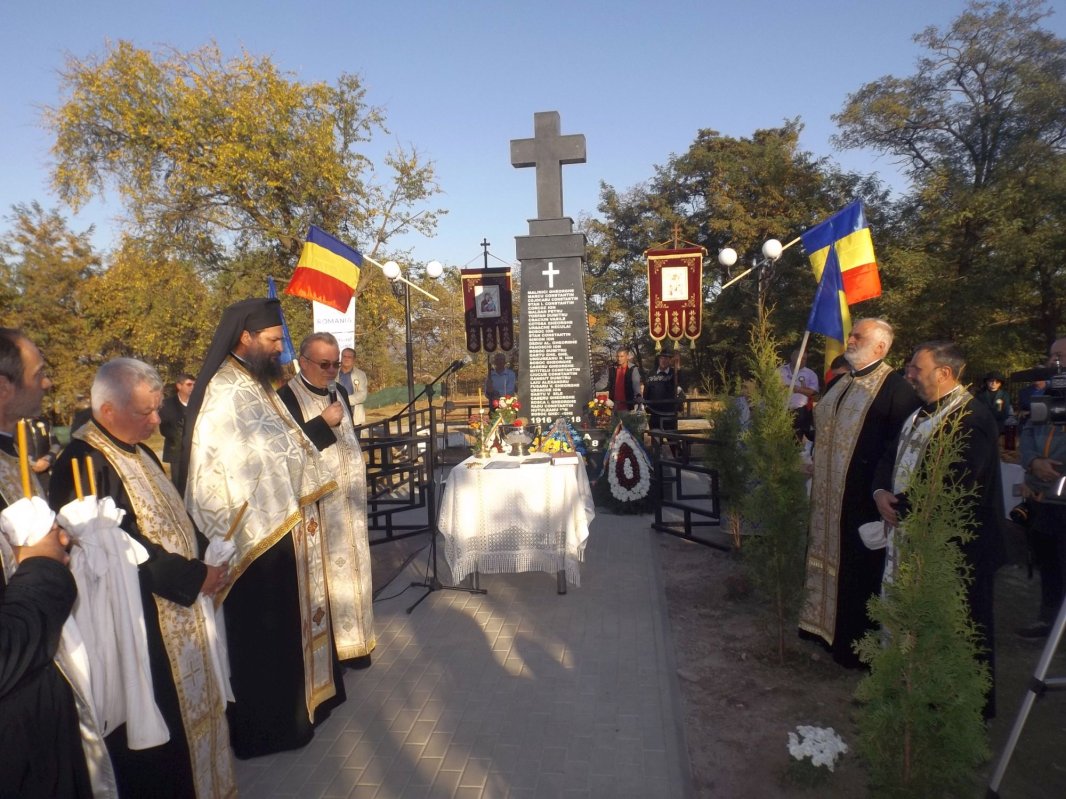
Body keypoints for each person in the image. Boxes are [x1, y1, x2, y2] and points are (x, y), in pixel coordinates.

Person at [50, 358, 235, 798]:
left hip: (182, 604)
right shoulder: (83, 461)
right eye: (145, 412)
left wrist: (208, 550)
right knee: (162, 738)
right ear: (108, 410)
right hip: (145, 625)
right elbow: (121, 549)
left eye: (157, 410)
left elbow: (174, 514)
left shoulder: (141, 449)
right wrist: (194, 577)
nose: (156, 421)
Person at [178, 297, 343, 759]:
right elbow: (236, 464)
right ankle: (268, 729)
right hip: (251, 533)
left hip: (279, 522)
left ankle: (297, 713)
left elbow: (283, 444)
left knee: (284, 629)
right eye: (272, 341)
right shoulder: (225, 391)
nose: (278, 349)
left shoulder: (255, 383)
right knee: (261, 633)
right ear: (246, 337)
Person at [0, 328, 115, 799]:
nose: (48, 384)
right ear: (3, 388)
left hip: (45, 687)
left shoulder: (12, 451)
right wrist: (46, 564)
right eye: (40, 374)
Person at [873, 341, 1007, 717]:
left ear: (944, 373)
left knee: (958, 623)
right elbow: (890, 457)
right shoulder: (918, 414)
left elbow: (957, 482)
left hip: (957, 546)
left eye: (917, 368)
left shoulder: (972, 417)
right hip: (908, 531)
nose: (909, 375)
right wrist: (881, 492)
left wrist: (902, 507)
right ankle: (910, 684)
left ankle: (953, 708)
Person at [799, 318, 920, 668]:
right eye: (851, 335)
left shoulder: (896, 390)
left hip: (862, 501)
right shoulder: (841, 383)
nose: (849, 340)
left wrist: (883, 490)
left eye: (857, 336)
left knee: (857, 573)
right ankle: (819, 629)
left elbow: (900, 451)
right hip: (827, 498)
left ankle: (853, 646)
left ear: (880, 348)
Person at [279, 333, 375, 668]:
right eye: (324, 364)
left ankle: (358, 644)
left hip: (350, 505)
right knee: (329, 582)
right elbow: (286, 455)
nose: (333, 370)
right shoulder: (286, 397)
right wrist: (322, 423)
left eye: (336, 363)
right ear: (303, 361)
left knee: (356, 573)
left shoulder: (340, 391)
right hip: (319, 511)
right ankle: (333, 652)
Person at [1017, 337, 1066, 639]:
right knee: (1048, 562)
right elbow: (1027, 432)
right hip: (1043, 498)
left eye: (1061, 355)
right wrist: (1034, 461)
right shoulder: (1045, 395)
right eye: (1052, 356)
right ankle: (1047, 620)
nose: (1055, 362)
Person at [158, 373, 195, 480]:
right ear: (179, 386)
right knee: (179, 484)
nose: (192, 387)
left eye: (194, 385)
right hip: (177, 452)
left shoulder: (199, 403)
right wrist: (183, 437)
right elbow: (164, 429)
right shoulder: (167, 404)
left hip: (196, 452)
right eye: (189, 384)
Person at [778, 348, 819, 442]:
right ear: (792, 357)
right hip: (780, 409)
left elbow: (814, 393)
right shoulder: (780, 371)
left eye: (805, 359)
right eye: (800, 357)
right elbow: (770, 387)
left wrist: (798, 389)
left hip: (799, 412)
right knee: (779, 439)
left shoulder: (810, 374)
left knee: (795, 440)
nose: (802, 360)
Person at [643, 352, 684, 433]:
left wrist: (678, 365)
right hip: (654, 413)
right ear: (658, 359)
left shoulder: (674, 373)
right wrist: (645, 404)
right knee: (656, 441)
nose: (663, 361)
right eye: (661, 358)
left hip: (669, 414)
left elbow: (681, 382)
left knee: (673, 441)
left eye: (666, 358)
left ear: (670, 361)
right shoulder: (651, 373)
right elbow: (646, 390)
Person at [337, 347, 369, 426]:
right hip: (337, 415)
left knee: (355, 438)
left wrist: (343, 400)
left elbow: (362, 395)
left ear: (354, 359)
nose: (346, 359)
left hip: (354, 416)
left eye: (349, 357)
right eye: (344, 356)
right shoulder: (333, 374)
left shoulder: (361, 375)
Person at [605, 347, 642, 413]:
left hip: (628, 407)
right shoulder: (611, 368)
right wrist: (590, 387)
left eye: (622, 356)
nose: (619, 359)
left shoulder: (633, 369)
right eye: (617, 356)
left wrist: (638, 400)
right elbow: (603, 383)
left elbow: (636, 386)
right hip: (614, 406)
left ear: (627, 357)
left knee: (628, 423)